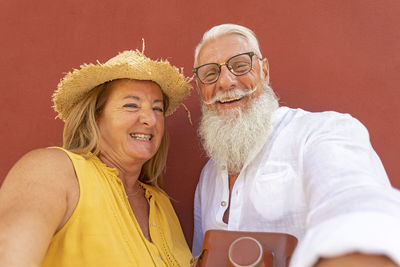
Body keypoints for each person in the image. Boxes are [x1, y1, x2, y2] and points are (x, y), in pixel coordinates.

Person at [192, 24, 400, 267]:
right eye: (209, 74)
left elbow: (356, 201)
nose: (225, 82)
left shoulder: (318, 132)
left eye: (240, 65)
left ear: (265, 72)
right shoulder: (207, 177)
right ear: (200, 89)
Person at [0, 48, 193, 266]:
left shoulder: (162, 204)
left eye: (158, 109)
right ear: (94, 117)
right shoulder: (55, 170)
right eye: (131, 105)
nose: (150, 119)